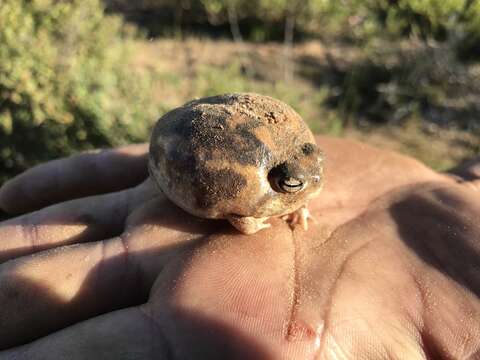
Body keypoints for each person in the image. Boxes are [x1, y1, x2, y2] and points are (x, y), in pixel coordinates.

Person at [0, 136, 478, 359]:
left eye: (314, 174)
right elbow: (246, 222)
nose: (312, 186)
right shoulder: (253, 191)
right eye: (293, 184)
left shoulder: (297, 176)